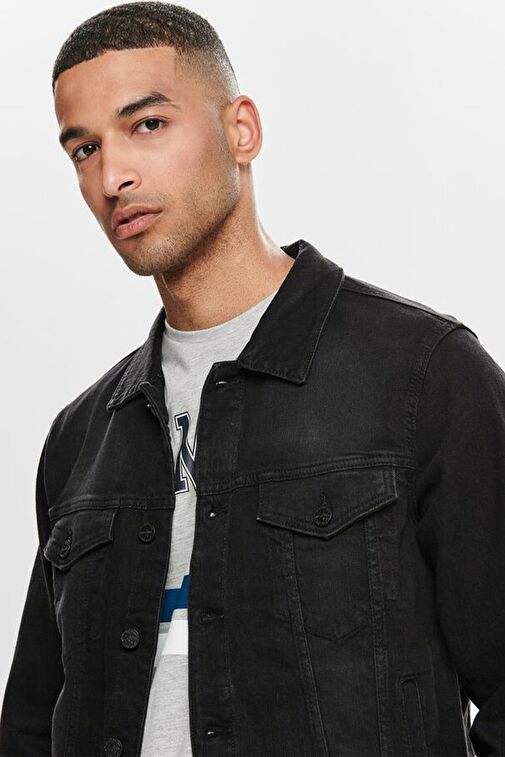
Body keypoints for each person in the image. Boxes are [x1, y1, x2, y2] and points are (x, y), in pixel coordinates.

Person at [1, 2, 504, 755]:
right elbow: (31, 725)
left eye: (147, 124)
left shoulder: (424, 373)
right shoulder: (81, 438)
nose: (112, 175)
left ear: (242, 130)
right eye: (84, 148)